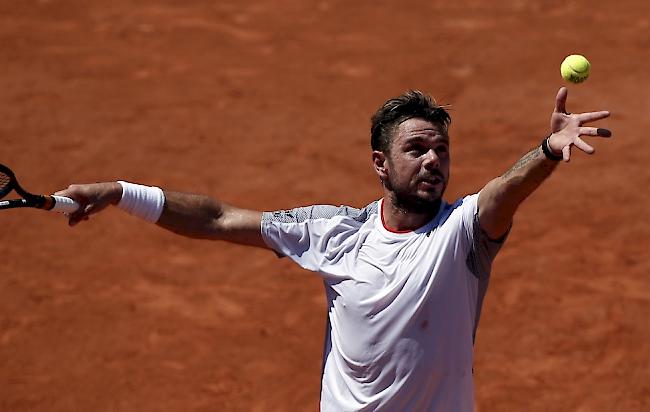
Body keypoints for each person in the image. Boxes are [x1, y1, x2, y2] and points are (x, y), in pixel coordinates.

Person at [55, 87, 611, 411]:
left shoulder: (463, 233)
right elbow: (220, 218)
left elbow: (500, 195)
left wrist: (545, 151)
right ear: (380, 164)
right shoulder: (335, 233)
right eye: (416, 148)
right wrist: (118, 193)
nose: (432, 160)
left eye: (440, 149)